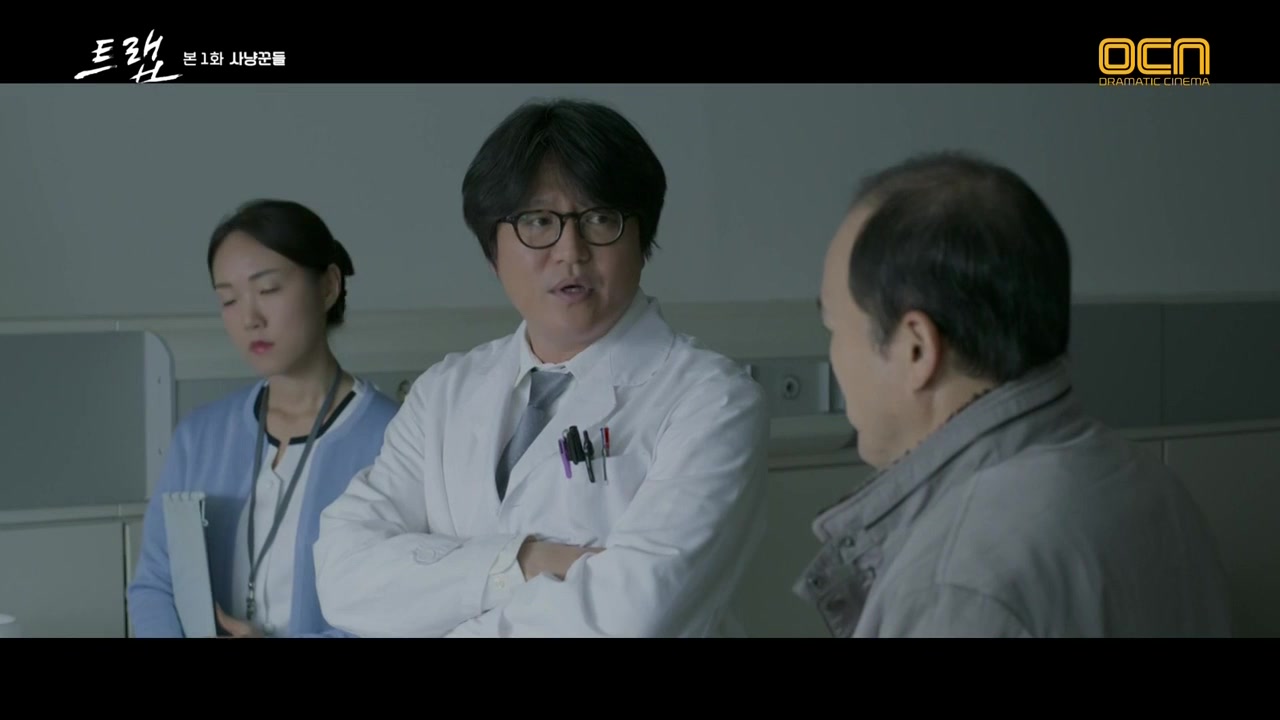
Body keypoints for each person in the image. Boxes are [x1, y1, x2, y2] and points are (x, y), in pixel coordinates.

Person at [313, 98, 770, 637]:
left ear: (641, 239)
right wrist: (524, 562)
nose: (570, 251)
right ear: (492, 249)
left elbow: (629, 617)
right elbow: (343, 576)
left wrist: (434, 600)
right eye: (538, 221)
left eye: (600, 218)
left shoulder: (714, 401)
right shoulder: (443, 393)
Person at [800, 151, 1233, 637]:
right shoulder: (1150, 485)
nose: (833, 357)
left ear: (916, 348)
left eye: (833, 327)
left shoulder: (953, 587)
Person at [127, 199, 400, 638]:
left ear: (328, 287)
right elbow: (155, 585)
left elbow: (404, 612)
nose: (249, 319)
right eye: (228, 299)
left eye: (269, 290)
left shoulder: (395, 439)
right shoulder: (200, 437)